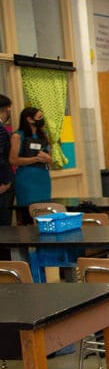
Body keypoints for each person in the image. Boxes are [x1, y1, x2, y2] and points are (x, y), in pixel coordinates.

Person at [10, 107, 52, 207]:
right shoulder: (17, 136)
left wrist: (48, 159)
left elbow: (50, 158)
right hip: (27, 178)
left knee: (44, 208)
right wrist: (36, 159)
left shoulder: (44, 134)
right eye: (39, 117)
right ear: (29, 119)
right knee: (29, 210)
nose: (42, 119)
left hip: (43, 177)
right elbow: (13, 160)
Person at [0, 96, 14, 258]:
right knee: (4, 227)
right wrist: (6, 181)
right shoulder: (1, 129)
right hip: (3, 184)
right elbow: (1, 158)